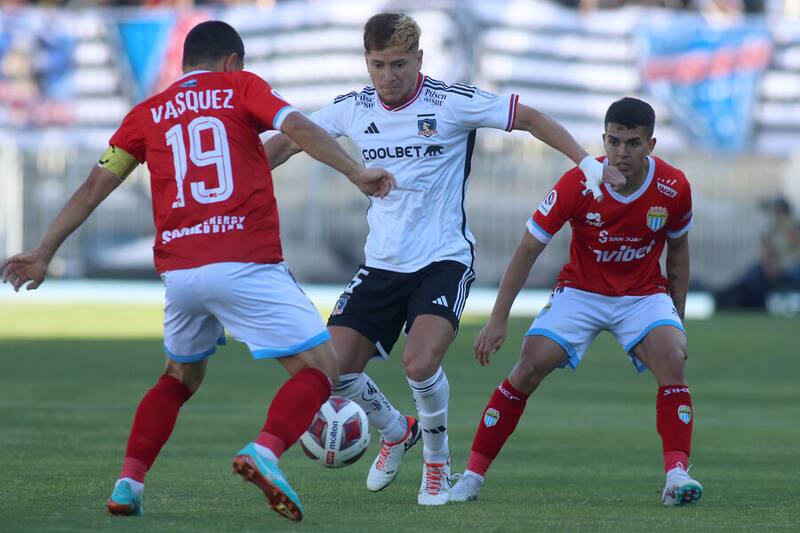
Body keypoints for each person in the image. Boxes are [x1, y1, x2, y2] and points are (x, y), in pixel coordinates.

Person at [2, 20, 395, 522]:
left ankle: (129, 482)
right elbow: (294, 127)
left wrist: (42, 250)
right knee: (322, 370)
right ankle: (266, 451)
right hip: (245, 260)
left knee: (179, 378)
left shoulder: (145, 115)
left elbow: (91, 188)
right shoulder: (241, 87)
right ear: (232, 62)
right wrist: (355, 170)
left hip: (182, 274)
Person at [264, 12, 625, 505]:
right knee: (332, 371)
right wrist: (240, 176)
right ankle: (396, 430)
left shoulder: (451, 102)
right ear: (366, 63)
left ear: (419, 59)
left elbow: (530, 118)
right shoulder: (353, 109)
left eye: (398, 64)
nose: (387, 77)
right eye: (377, 65)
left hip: (443, 259)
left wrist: (587, 163)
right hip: (382, 264)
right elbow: (289, 140)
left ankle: (437, 462)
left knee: (419, 362)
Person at [449, 97, 701, 506]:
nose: (621, 153)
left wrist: (677, 316)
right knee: (528, 367)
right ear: (603, 138)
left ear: (651, 145)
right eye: (614, 141)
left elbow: (679, 254)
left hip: (642, 295)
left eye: (633, 143)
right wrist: (498, 318)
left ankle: (676, 475)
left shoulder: (674, 187)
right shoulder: (579, 183)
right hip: (581, 292)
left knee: (673, 358)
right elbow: (528, 248)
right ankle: (471, 477)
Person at [716, 196, 800, 309]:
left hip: (792, 267)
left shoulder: (793, 227)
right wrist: (769, 267)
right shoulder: (771, 228)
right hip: (775, 268)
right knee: (752, 276)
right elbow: (767, 252)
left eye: (779, 211)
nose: (776, 214)